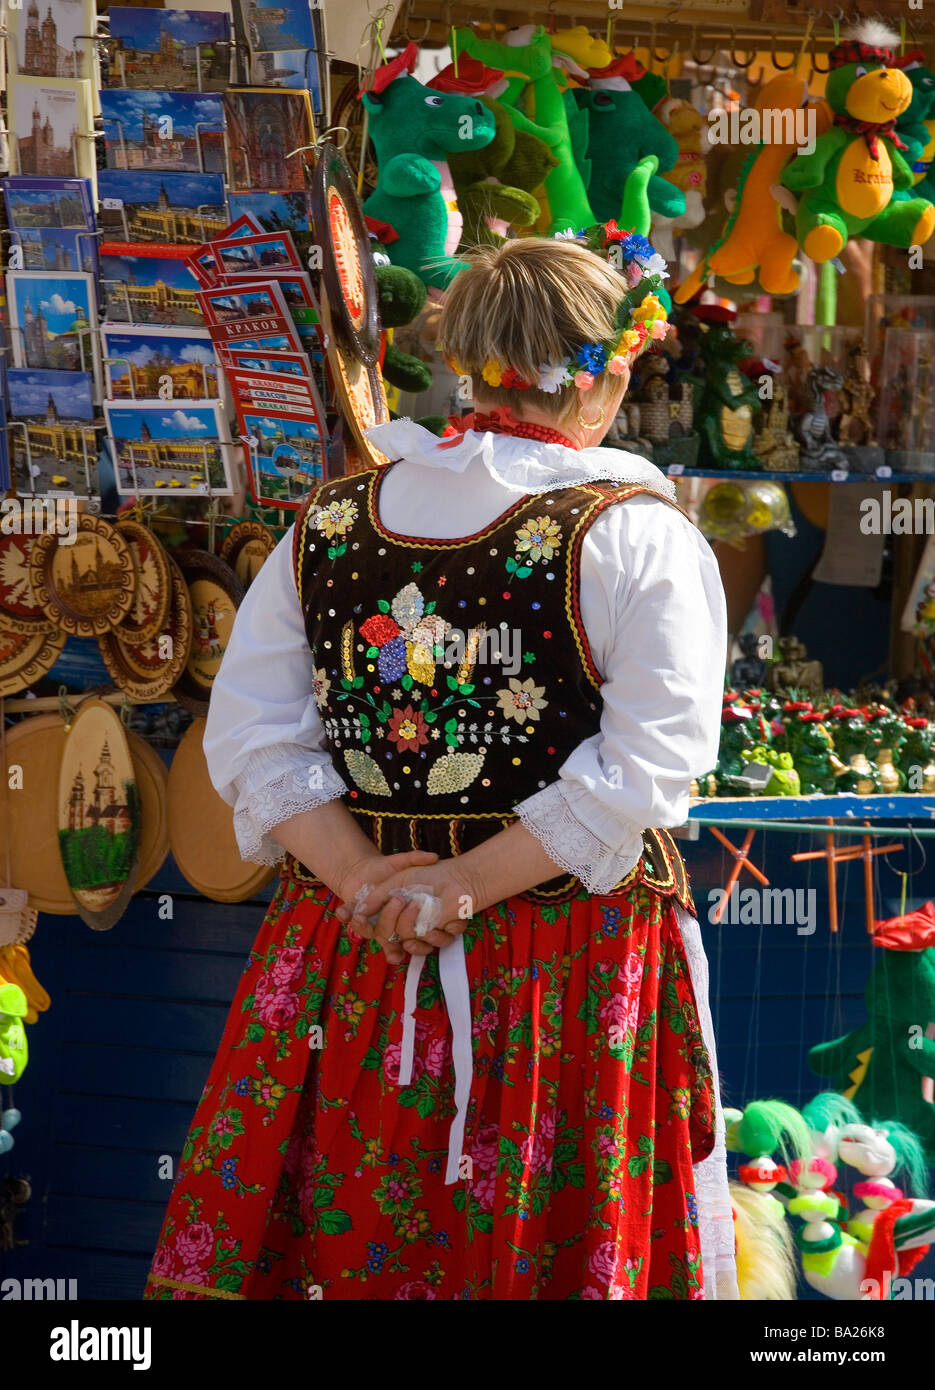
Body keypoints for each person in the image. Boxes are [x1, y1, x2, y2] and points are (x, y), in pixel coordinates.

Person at [144, 235, 735, 1301]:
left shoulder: (330, 523)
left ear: (466, 362)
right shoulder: (634, 535)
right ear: (605, 374)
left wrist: (368, 878)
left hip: (354, 951)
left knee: (350, 1223)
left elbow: (253, 737)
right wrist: (451, 886)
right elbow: (648, 768)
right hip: (556, 954)